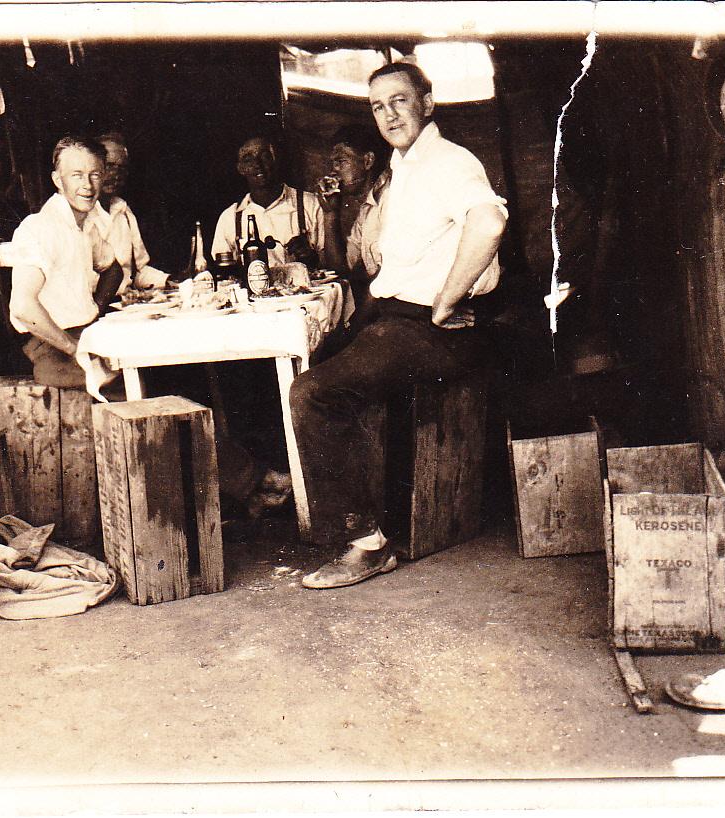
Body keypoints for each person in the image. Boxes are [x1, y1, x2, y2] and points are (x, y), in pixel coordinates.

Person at [290, 62, 508, 590]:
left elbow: (490, 222)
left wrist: (444, 302)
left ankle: (366, 546)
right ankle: (361, 515)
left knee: (312, 392)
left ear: (427, 104)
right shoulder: (405, 166)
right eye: (378, 105)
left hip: (432, 328)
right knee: (318, 362)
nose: (389, 114)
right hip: (396, 317)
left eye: (400, 101)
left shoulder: (450, 161)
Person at [7, 135, 122, 389]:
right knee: (124, 387)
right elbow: (22, 306)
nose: (88, 186)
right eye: (76, 175)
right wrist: (72, 348)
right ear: (58, 180)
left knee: (140, 367)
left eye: (94, 175)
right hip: (50, 346)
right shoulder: (41, 227)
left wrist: (97, 310)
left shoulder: (87, 226)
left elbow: (114, 270)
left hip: (83, 335)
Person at [210, 136, 326, 269]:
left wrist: (312, 257)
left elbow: (333, 264)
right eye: (248, 160)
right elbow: (222, 269)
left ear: (275, 160)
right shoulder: (229, 217)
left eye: (264, 156)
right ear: (240, 169)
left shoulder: (310, 204)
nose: (257, 165)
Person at [96, 131, 171, 293]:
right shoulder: (81, 216)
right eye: (109, 166)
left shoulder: (124, 212)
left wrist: (168, 281)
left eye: (121, 168)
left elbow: (138, 271)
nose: (115, 174)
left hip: (124, 306)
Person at [317, 124, 387, 290]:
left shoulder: (391, 198)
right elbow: (340, 270)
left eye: (341, 161)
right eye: (333, 163)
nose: (334, 170)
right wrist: (330, 213)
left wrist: (358, 317)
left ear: (368, 161)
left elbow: (388, 279)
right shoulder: (367, 208)